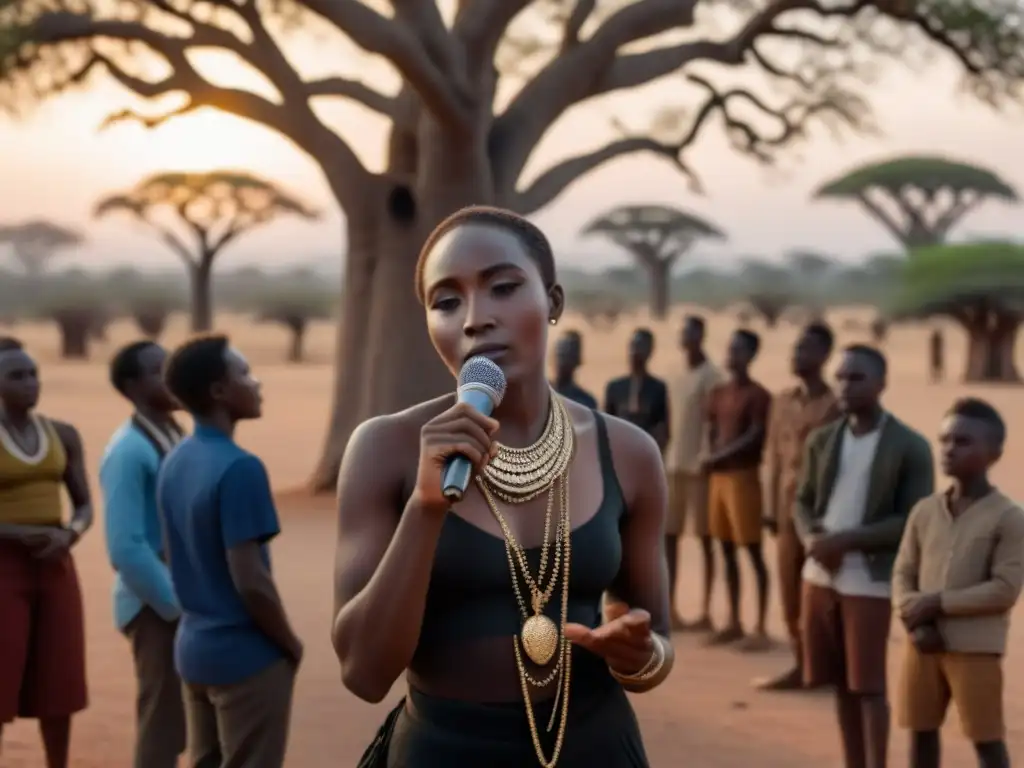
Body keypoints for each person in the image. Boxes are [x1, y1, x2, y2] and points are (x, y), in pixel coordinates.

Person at [332, 205, 673, 767]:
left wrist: (638, 654)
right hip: (444, 751)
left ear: (554, 302)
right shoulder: (385, 449)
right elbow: (364, 674)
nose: (474, 318)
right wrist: (425, 507)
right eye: (446, 302)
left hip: (594, 746)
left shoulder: (628, 453)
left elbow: (656, 641)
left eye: (504, 288)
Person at [158, 335, 302, 768]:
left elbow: (172, 554)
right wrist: (289, 644)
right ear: (219, 391)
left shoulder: (177, 459)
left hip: (194, 649)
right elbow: (251, 580)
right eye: (244, 373)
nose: (256, 383)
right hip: (245, 657)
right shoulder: (240, 467)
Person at [795, 344, 934, 768]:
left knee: (869, 686)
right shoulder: (823, 439)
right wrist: (811, 540)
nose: (844, 386)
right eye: (840, 377)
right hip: (819, 576)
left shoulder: (909, 446)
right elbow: (801, 501)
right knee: (839, 682)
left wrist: (846, 541)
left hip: (868, 580)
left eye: (856, 378)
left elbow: (912, 517)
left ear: (881, 384)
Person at [893, 398, 1024, 768]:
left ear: (994, 453)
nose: (949, 449)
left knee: (987, 743)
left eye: (963, 441)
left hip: (975, 649)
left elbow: (1003, 589)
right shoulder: (924, 511)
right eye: (945, 440)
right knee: (920, 737)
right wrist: (914, 619)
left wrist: (935, 604)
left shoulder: (1009, 518)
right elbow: (903, 573)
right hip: (921, 643)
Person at [0, 337, 91, 768]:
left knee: (60, 678)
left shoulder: (62, 434)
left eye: (33, 373)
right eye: (16, 376)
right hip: (4, 569)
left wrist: (69, 534)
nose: (30, 383)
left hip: (55, 564)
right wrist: (20, 534)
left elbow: (85, 505)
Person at [100, 340, 186, 768]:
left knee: (187, 718)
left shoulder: (173, 432)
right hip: (155, 604)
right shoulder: (128, 450)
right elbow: (125, 547)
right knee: (163, 722)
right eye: (158, 370)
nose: (170, 376)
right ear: (132, 386)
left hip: (181, 598)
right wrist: (176, 605)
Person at [756, 323, 841, 690]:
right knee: (789, 590)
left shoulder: (836, 407)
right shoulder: (781, 400)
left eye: (805, 349)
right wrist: (770, 507)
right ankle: (801, 664)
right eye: (795, 348)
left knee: (824, 594)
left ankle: (830, 668)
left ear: (824, 356)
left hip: (824, 513)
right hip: (786, 510)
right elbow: (772, 457)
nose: (796, 355)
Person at [703, 328, 772, 650]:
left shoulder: (758, 395)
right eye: (730, 349)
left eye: (739, 350)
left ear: (751, 355)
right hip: (718, 479)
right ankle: (734, 621)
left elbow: (755, 436)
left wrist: (718, 455)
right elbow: (712, 428)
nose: (732, 355)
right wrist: (711, 454)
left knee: (753, 552)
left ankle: (760, 626)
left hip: (743, 477)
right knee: (725, 549)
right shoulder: (718, 392)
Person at [663, 315, 722, 632]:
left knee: (705, 538)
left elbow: (714, 423)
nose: (686, 338)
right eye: (683, 332)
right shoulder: (674, 373)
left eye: (691, 333)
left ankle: (706, 609)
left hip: (699, 467)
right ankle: (670, 607)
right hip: (672, 463)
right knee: (669, 537)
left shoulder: (713, 376)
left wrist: (707, 456)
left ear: (702, 336)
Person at [603, 328, 669, 451]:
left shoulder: (657, 388)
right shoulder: (615, 387)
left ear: (650, 351)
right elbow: (606, 428)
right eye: (633, 345)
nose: (635, 352)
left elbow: (663, 430)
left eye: (641, 346)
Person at [550, 330, 598, 408]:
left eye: (567, 357)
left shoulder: (585, 402)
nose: (562, 362)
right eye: (560, 355)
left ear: (577, 360)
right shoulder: (538, 396)